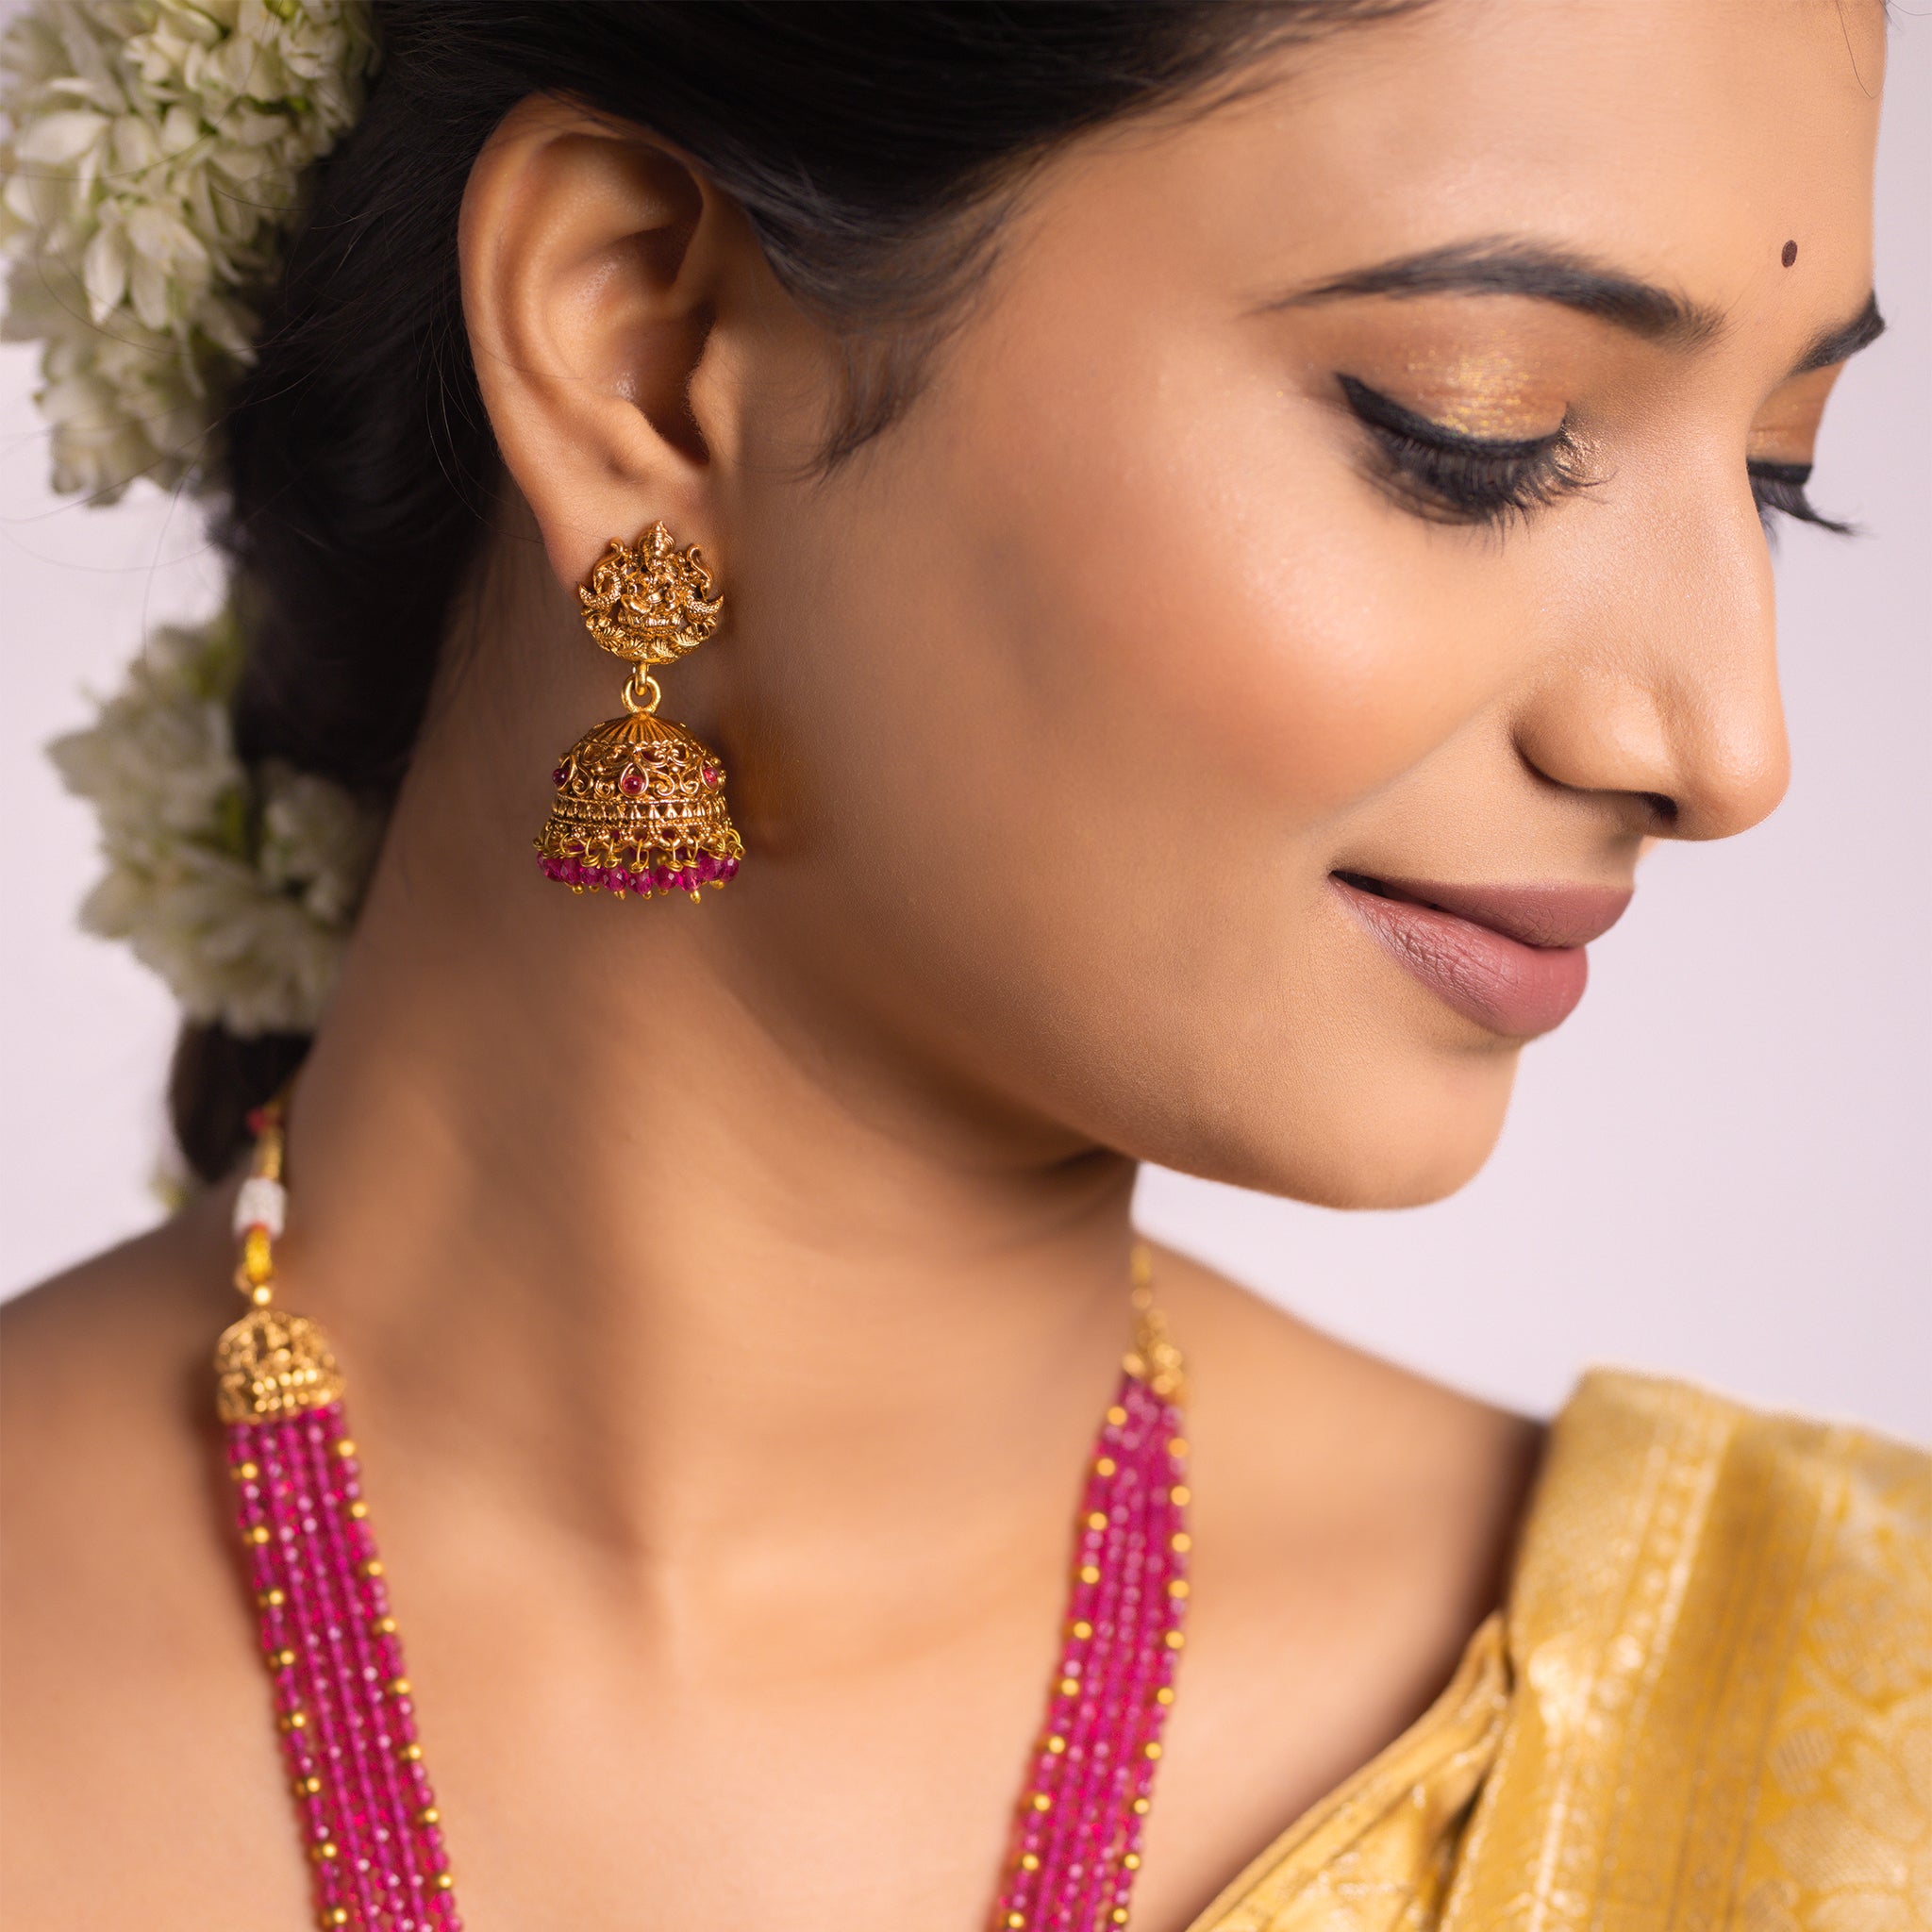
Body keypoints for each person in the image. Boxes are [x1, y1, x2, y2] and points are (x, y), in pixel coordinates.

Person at [2, 4, 1924, 1927]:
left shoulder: (1846, 1748)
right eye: (1471, 434)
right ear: (646, 357)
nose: (1728, 749)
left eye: (1775, 475)